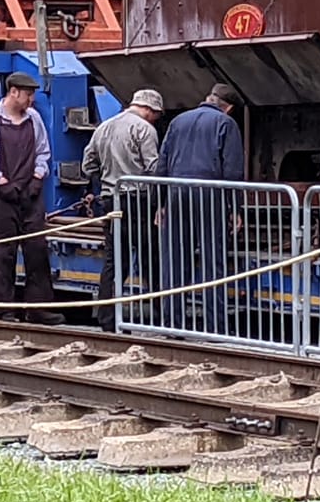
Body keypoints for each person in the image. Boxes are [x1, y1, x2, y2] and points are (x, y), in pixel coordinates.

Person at [153, 83, 245, 331]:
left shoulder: (178, 121)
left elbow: (162, 165)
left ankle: (173, 324)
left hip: (175, 196)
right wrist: (235, 208)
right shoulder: (226, 124)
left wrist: (160, 203)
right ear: (229, 108)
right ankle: (215, 327)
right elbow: (232, 170)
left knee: (174, 261)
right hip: (209, 196)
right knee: (212, 261)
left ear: (209, 98)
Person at [0, 70, 53, 316]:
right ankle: (4, 310)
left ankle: (40, 309)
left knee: (37, 251)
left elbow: (43, 151)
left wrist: (38, 177)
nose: (31, 100)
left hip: (31, 196)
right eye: (27, 95)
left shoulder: (34, 119)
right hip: (2, 198)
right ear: (13, 92)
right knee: (3, 255)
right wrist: (0, 181)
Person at [81, 88, 163, 316]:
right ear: (149, 110)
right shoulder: (144, 129)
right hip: (139, 201)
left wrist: (105, 178)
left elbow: (87, 166)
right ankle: (160, 314)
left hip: (111, 201)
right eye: (157, 115)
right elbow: (153, 168)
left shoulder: (104, 127)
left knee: (114, 261)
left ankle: (107, 317)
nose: (156, 120)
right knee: (150, 259)